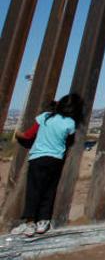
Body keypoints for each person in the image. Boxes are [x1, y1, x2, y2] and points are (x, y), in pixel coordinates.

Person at [11, 93, 83, 237]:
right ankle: (43, 222)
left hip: (38, 158)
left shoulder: (45, 117)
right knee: (49, 190)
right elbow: (69, 138)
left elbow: (28, 135)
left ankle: (30, 222)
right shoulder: (70, 123)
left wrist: (17, 134)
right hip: (55, 159)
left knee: (33, 190)